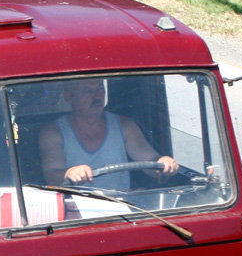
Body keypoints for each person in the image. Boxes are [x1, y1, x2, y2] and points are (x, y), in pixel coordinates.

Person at [38, 78, 178, 188]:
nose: (97, 96)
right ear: (69, 97)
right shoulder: (53, 132)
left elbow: (150, 160)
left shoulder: (125, 125)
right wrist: (69, 173)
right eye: (88, 90)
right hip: (76, 214)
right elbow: (51, 175)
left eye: (100, 88)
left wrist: (163, 163)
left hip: (122, 208)